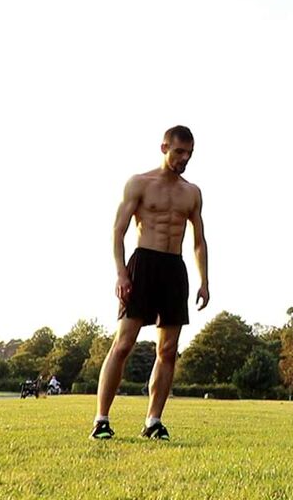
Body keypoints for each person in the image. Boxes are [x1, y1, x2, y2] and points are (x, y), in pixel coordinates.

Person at [90, 125, 210, 440]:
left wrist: (204, 280)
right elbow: (118, 231)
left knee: (168, 350)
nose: (184, 159)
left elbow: (199, 241)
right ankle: (101, 420)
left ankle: (153, 422)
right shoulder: (139, 183)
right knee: (123, 344)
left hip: (174, 269)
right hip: (143, 264)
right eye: (179, 152)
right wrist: (120, 272)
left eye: (189, 154)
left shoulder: (192, 192)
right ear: (164, 148)